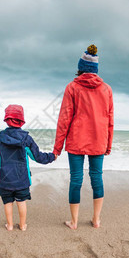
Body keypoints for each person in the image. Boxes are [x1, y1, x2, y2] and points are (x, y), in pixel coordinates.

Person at [53, 44, 114, 229]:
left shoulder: (72, 87)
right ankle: (96, 220)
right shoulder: (106, 90)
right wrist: (108, 144)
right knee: (97, 177)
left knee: (76, 179)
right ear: (95, 70)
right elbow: (110, 119)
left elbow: (64, 119)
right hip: (98, 140)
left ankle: (74, 222)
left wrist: (57, 147)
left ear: (80, 68)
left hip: (76, 140)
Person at [0, 104, 55, 231]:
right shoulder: (26, 139)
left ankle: (9, 225)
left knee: (7, 202)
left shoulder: (0, 139)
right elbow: (37, 156)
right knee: (21, 202)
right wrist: (52, 156)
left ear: (7, 120)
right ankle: (22, 225)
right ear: (21, 120)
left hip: (5, 180)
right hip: (21, 180)